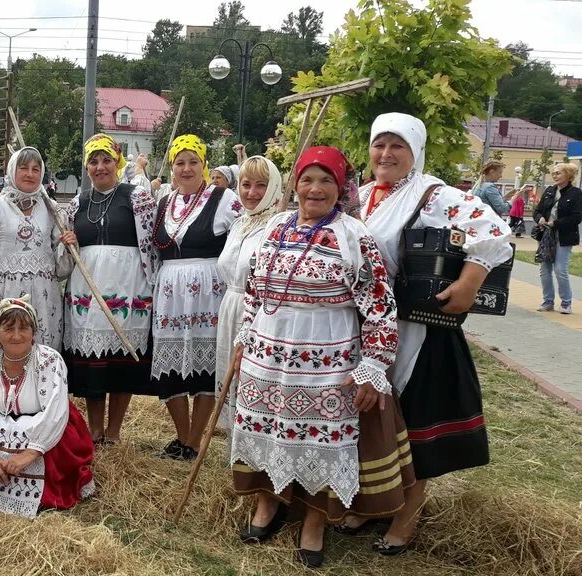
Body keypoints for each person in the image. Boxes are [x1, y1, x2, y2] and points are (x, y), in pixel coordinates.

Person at [230, 146, 413, 568]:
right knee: (268, 429)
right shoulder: (275, 226)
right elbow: (255, 292)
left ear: (340, 187)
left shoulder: (354, 236)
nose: (315, 189)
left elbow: (380, 308)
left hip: (326, 358)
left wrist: (372, 368)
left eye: (326, 180)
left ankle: (314, 522)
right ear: (295, 184)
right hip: (267, 354)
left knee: (318, 439)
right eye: (307, 180)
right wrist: (244, 339)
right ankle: (268, 504)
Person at [347, 112, 512, 554]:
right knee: (369, 419)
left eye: (397, 146)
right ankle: (374, 501)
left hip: (415, 329)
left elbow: (494, 231)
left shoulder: (432, 193)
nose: (386, 154)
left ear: (415, 151)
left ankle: (406, 515)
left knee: (408, 422)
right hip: (363, 327)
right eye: (379, 144)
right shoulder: (361, 196)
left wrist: (468, 282)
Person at [0, 295, 95, 518]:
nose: (17, 336)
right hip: (1, 424)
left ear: (34, 331)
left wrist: (29, 454)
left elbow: (55, 412)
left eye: (24, 328)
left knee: (59, 432)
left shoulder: (50, 360)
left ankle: (46, 495)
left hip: (44, 426)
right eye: (9, 329)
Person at [63, 134, 158, 444]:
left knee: (121, 363)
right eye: (94, 161)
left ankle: (114, 432)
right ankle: (94, 430)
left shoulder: (137, 197)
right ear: (87, 167)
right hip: (88, 290)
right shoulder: (78, 203)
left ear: (117, 162)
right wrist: (69, 244)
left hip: (127, 289)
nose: (100, 166)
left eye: (106, 160)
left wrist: (152, 285)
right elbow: (68, 250)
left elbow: (150, 245)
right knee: (93, 362)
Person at [151, 135, 241, 460]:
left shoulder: (224, 198)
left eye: (193, 161)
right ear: (172, 167)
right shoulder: (164, 202)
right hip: (170, 295)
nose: (186, 168)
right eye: (180, 162)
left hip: (208, 293)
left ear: (204, 164)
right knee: (170, 367)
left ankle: (192, 441)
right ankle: (180, 434)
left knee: (205, 368)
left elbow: (244, 236)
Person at [213, 156, 283, 430]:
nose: (252, 193)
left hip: (257, 315)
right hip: (230, 308)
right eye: (246, 185)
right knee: (228, 381)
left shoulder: (278, 226)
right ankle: (234, 447)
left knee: (251, 381)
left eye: (261, 185)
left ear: (274, 187)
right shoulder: (239, 223)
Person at [0, 147, 73, 350]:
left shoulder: (53, 210)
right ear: (12, 170)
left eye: (35, 169)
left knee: (41, 356)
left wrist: (68, 246)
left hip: (44, 297)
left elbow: (62, 270)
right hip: (6, 296)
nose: (30, 174)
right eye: (23, 168)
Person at [534, 163, 582, 314]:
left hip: (564, 236)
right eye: (553, 173)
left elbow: (577, 217)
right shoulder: (549, 191)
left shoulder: (576, 193)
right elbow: (537, 210)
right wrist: (540, 218)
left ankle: (566, 302)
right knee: (544, 269)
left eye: (558, 173)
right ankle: (548, 301)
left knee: (560, 269)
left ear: (568, 175)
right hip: (546, 236)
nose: (554, 176)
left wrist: (556, 223)